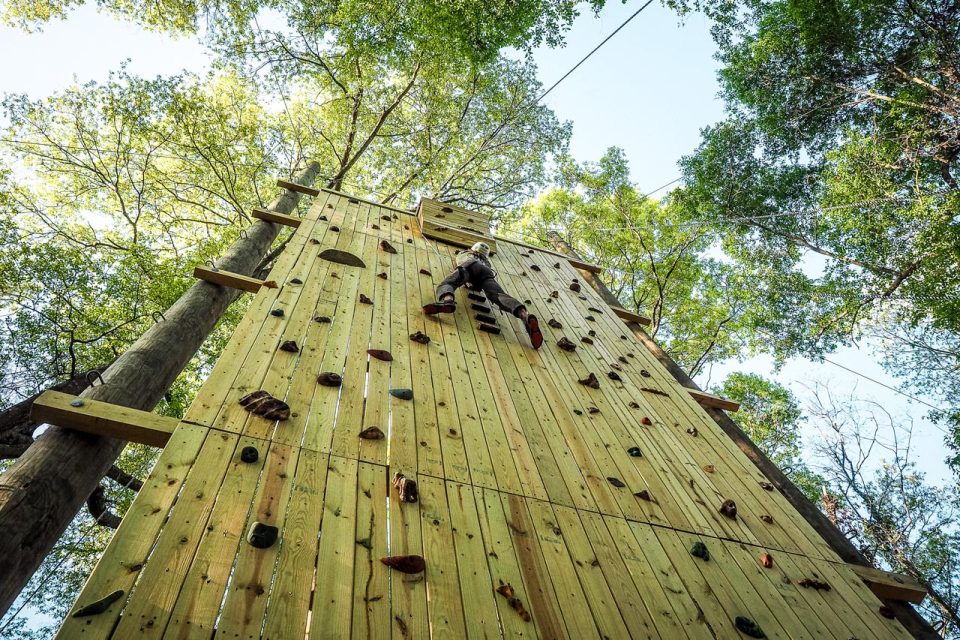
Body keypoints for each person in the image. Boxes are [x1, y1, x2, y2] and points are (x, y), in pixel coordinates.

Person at [423, 242, 543, 349]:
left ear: (474, 248)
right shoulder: (486, 261)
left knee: (448, 283)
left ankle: (447, 300)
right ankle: (525, 316)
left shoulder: (465, 253)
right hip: (486, 273)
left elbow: (464, 271)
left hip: (469, 266)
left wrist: (466, 280)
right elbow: (478, 284)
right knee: (499, 295)